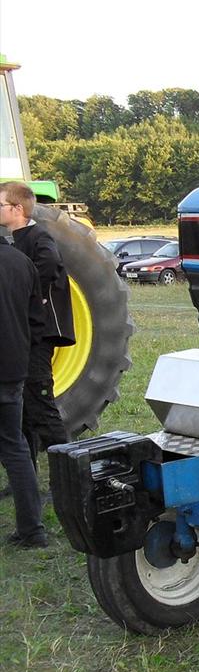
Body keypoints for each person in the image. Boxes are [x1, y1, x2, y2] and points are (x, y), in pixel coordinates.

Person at [0, 182, 74, 465]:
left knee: (42, 407)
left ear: (17, 209)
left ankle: (66, 475)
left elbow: (50, 261)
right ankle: (25, 472)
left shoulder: (38, 236)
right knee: (24, 413)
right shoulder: (16, 240)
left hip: (40, 336)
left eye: (1, 205)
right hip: (24, 336)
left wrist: (34, 295)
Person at [0, 202, 49, 548]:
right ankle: (33, 532)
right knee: (15, 447)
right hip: (13, 369)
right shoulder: (23, 262)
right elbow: (36, 321)